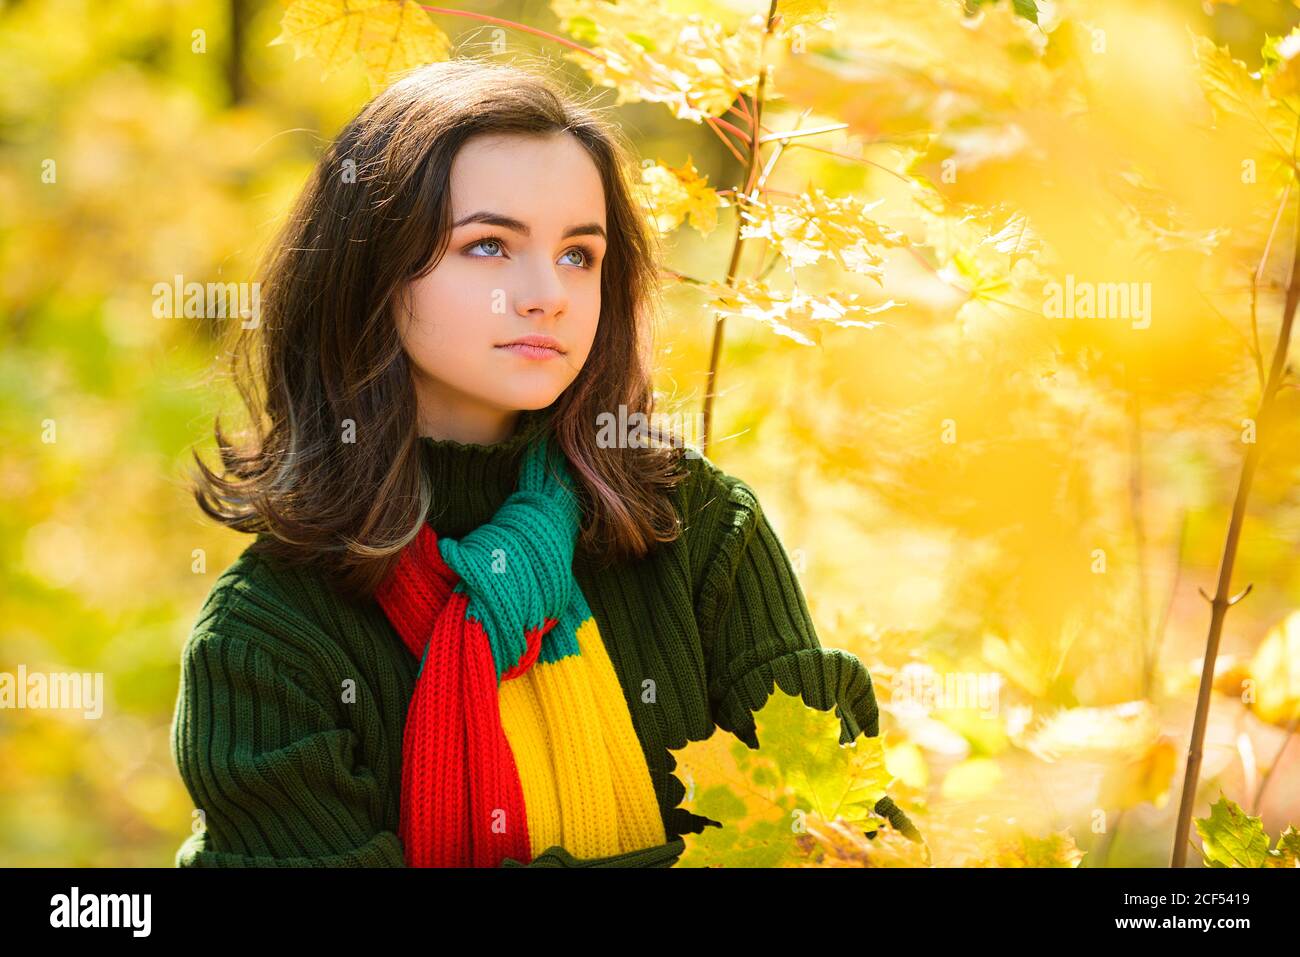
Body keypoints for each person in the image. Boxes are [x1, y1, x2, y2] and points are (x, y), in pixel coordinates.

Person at [169, 57, 913, 867]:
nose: (547, 294)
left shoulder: (695, 528)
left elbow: (854, 842)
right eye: (489, 245)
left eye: (577, 255)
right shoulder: (267, 637)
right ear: (369, 272)